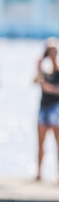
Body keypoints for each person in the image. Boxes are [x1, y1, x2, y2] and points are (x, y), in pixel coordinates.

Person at [35, 37, 59, 182]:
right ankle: (39, 172)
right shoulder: (43, 71)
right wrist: (39, 64)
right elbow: (35, 80)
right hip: (43, 107)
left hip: (55, 109)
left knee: (58, 143)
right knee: (40, 143)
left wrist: (49, 88)